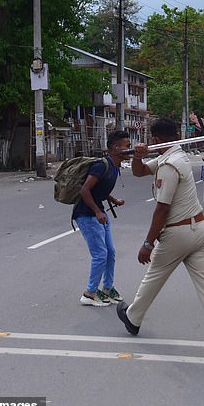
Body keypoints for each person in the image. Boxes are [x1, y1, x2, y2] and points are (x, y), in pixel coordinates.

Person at [116, 118, 204, 358]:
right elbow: (139, 172)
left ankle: (133, 317)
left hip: (178, 233)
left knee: (154, 276)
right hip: (200, 230)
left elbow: (162, 209)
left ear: (157, 139)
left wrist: (148, 243)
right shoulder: (173, 155)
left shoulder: (169, 165)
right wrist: (137, 156)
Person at [74, 130, 131, 307]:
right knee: (100, 255)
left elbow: (100, 190)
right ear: (115, 148)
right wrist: (97, 212)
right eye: (127, 146)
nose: (129, 149)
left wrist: (113, 199)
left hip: (99, 213)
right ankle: (90, 293)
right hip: (87, 215)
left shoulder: (113, 166)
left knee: (110, 252)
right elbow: (85, 190)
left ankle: (107, 288)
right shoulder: (101, 165)